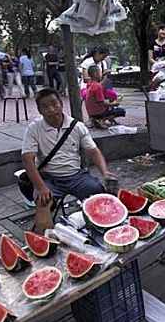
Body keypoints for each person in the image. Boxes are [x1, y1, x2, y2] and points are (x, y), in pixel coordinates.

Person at [22, 88, 116, 234]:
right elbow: (28, 159)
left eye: (54, 104)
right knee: (42, 202)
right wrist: (41, 188)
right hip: (48, 179)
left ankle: (108, 232)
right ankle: (47, 242)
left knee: (100, 195)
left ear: (61, 104)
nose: (51, 109)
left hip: (76, 176)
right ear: (40, 111)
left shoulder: (77, 127)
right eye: (45, 106)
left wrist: (105, 173)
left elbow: (94, 151)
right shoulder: (34, 129)